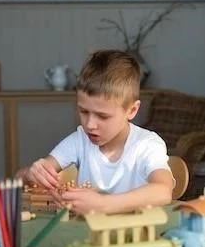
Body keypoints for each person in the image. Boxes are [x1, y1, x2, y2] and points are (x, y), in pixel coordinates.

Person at [17, 50, 174, 216]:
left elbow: (163, 191)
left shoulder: (147, 144)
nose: (90, 125)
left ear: (131, 110)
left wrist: (103, 204)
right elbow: (19, 178)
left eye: (102, 116)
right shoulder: (80, 140)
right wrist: (30, 174)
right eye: (83, 111)